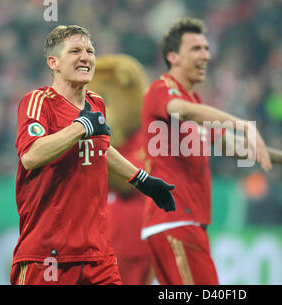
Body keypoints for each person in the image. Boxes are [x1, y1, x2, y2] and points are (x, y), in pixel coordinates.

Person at [141, 18, 282, 285]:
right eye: (196, 49)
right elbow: (182, 110)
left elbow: (235, 147)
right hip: (174, 221)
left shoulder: (196, 103)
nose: (206, 56)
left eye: (207, 49)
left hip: (186, 225)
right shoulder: (161, 90)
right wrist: (242, 124)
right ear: (173, 56)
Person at [10, 25, 175, 285]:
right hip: (48, 254)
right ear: (53, 62)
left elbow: (100, 148)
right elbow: (31, 155)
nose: (85, 56)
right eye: (75, 51)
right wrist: (81, 127)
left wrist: (143, 180)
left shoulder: (96, 103)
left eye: (89, 51)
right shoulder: (38, 101)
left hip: (97, 255)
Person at [87, 54, 155, 285]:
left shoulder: (146, 139)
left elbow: (132, 181)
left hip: (135, 243)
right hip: (101, 243)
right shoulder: (113, 142)